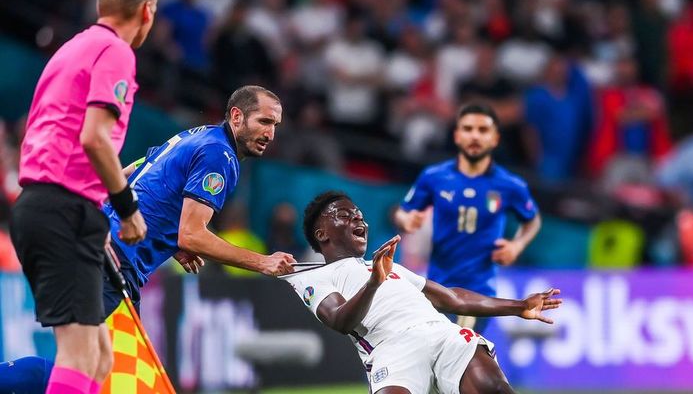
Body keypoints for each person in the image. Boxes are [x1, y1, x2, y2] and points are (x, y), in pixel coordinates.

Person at [1, 86, 297, 394]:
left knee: (102, 370)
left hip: (99, 249)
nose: (270, 133)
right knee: (94, 368)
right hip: (109, 259)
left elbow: (133, 174)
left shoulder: (196, 136)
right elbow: (192, 234)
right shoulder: (219, 155)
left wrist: (172, 237)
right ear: (237, 116)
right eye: (264, 121)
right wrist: (262, 261)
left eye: (275, 124)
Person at [8, 0, 155, 394]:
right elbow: (95, 138)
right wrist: (126, 210)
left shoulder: (71, 49)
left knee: (99, 357)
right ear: (146, 12)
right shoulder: (116, 52)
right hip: (62, 208)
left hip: (50, 205)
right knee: (78, 355)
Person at [284, 191, 561, 394]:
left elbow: (451, 298)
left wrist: (519, 306)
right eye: (345, 215)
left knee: (495, 388)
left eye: (360, 214)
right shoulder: (314, 276)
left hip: (441, 333)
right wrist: (373, 283)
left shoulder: (388, 267)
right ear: (322, 235)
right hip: (391, 350)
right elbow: (339, 320)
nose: (358, 218)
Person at [394, 103, 541, 333]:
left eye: (483, 130)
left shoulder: (509, 185)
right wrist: (407, 221)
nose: (475, 136)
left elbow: (532, 219)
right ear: (457, 135)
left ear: (495, 138)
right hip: (438, 288)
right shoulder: (434, 177)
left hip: (478, 293)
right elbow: (404, 211)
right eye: (468, 128)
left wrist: (517, 245)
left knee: (458, 350)